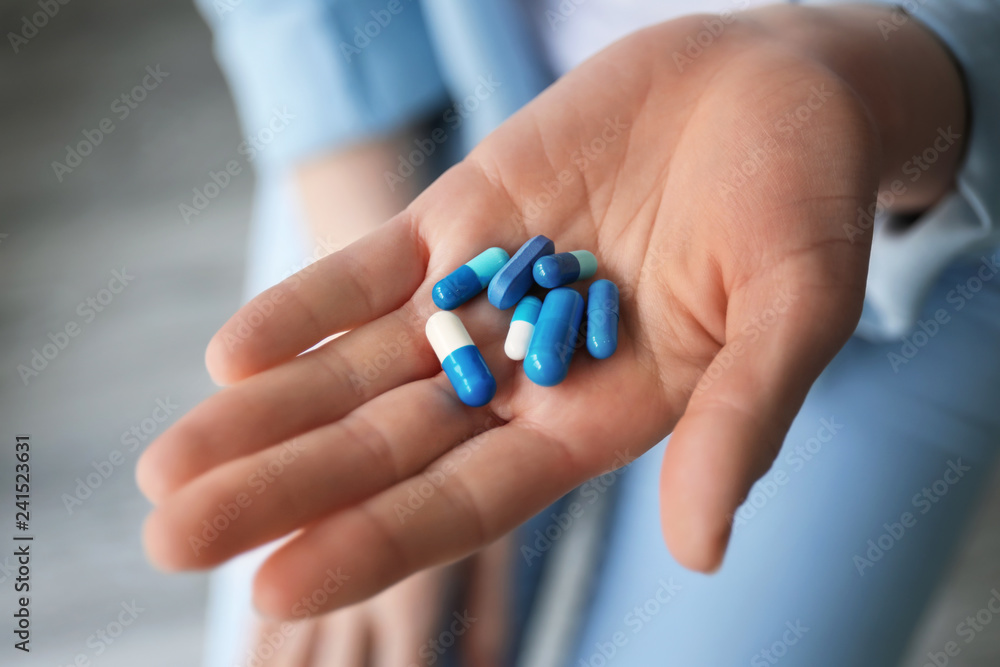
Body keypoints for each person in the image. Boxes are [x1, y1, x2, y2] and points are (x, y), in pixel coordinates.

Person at [137, 1, 1000, 664]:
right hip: (448, 125)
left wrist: (871, 83)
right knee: (309, 591)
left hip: (913, 208)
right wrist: (360, 202)